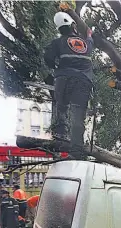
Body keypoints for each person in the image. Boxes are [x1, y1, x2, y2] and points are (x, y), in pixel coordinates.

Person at [44, 3, 94, 159]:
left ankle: (59, 142)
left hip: (63, 81)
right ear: (73, 25)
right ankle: (76, 152)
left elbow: (48, 60)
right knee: (78, 117)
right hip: (83, 82)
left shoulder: (57, 43)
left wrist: (56, 67)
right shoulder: (86, 41)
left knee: (62, 110)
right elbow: (86, 29)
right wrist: (71, 11)